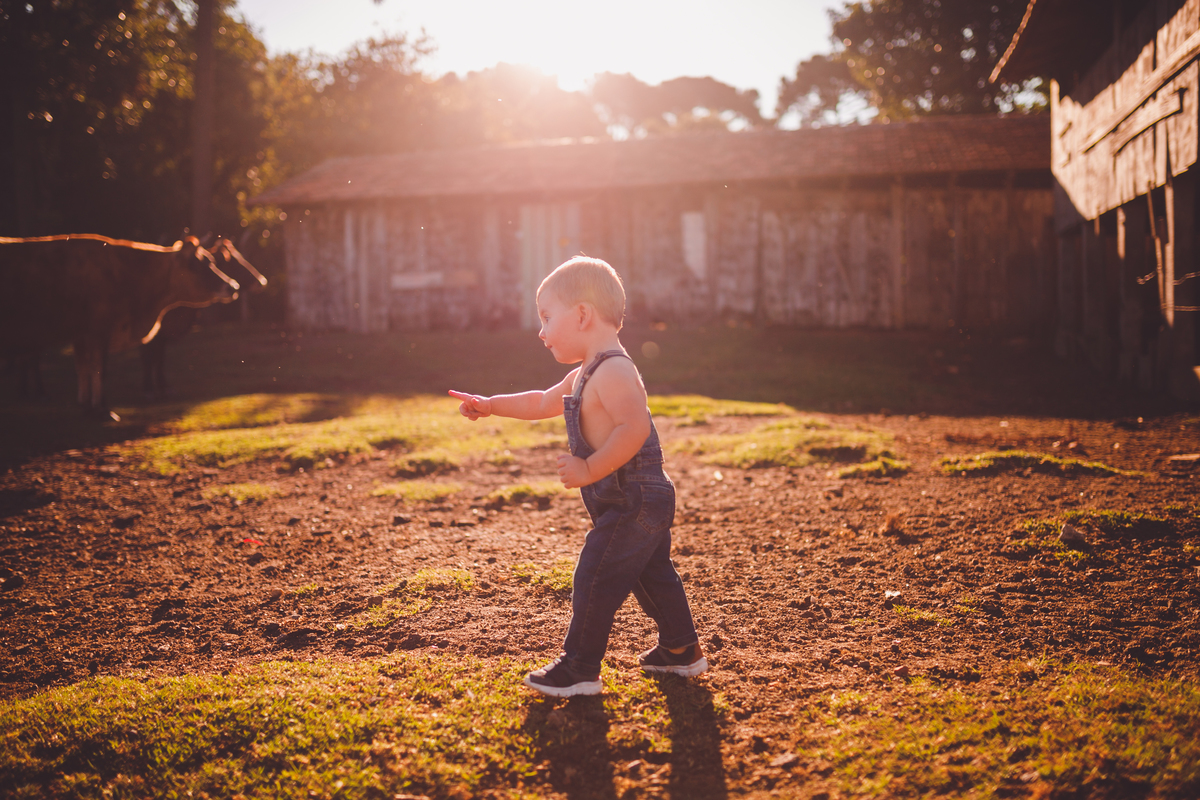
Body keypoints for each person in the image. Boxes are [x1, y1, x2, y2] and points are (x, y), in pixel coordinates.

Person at [449, 256, 706, 697]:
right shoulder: (583, 373)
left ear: (583, 315)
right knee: (652, 574)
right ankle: (681, 650)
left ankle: (580, 667)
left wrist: (588, 468)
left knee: (595, 574)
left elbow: (635, 428)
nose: (541, 330)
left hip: (637, 498)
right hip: (626, 499)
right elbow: (537, 403)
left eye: (548, 317)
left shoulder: (616, 370)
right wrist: (490, 403)